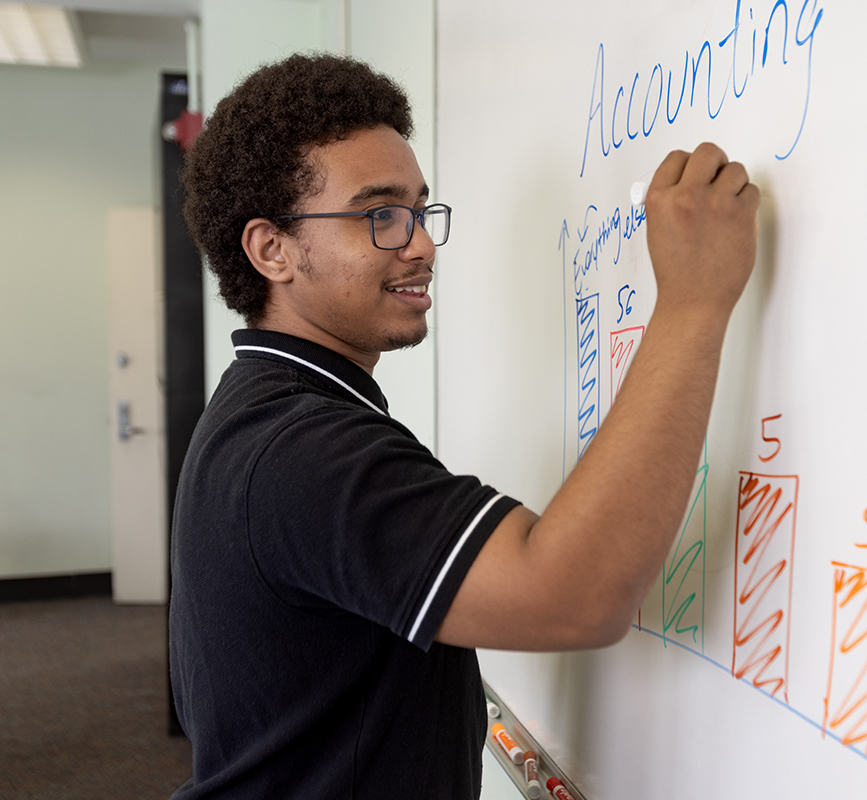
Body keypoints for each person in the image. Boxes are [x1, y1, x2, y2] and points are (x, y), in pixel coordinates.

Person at [170, 53, 759, 799]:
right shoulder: (300, 448)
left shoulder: (266, 408)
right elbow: (576, 594)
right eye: (379, 214)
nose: (420, 242)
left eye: (419, 209)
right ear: (271, 249)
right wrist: (694, 302)